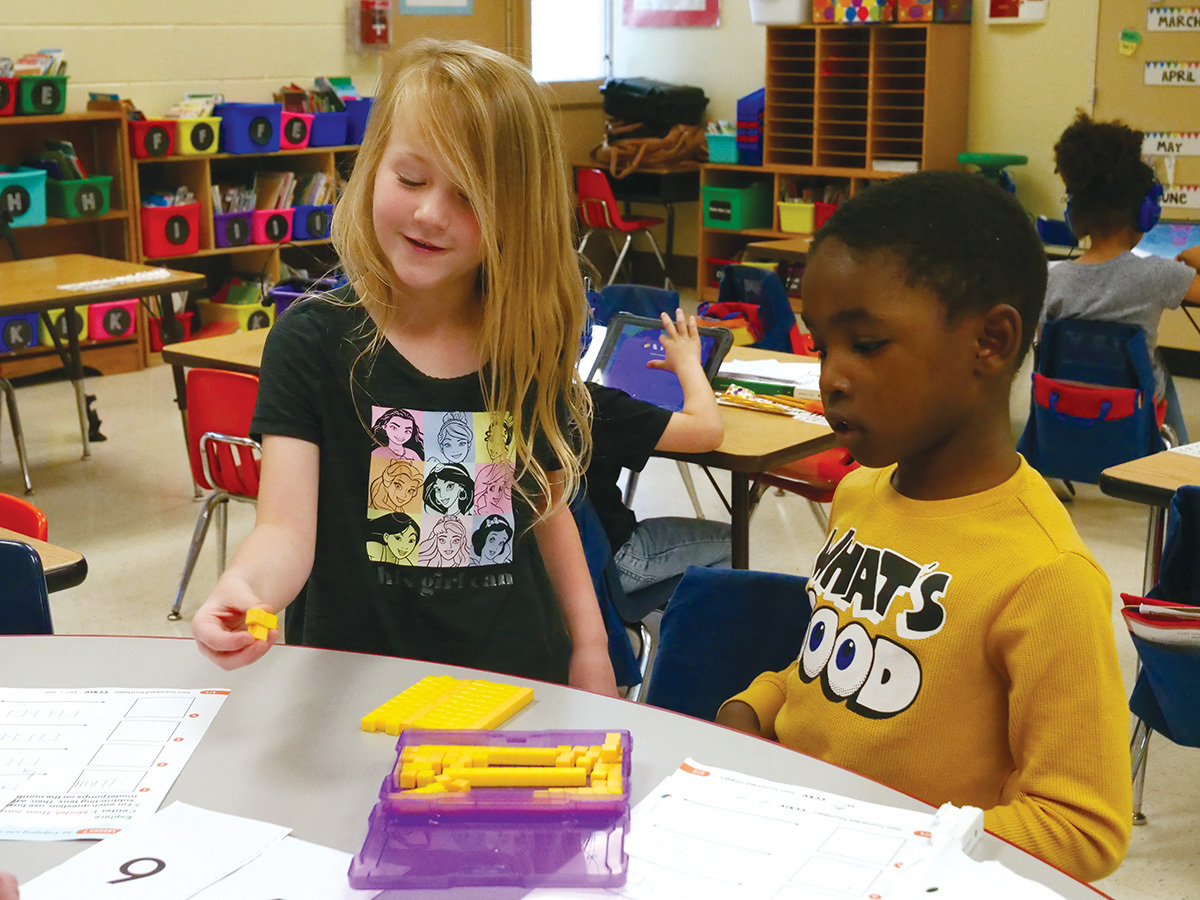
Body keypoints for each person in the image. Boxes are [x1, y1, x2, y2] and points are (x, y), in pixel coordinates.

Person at [715, 171, 1131, 882]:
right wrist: (757, 706)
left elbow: (1081, 824)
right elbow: (833, 673)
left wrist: (890, 851)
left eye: (867, 345)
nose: (833, 378)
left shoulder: (1046, 576)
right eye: (823, 347)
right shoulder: (861, 496)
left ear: (990, 342)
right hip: (795, 852)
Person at [190, 38, 617, 696]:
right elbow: (283, 529)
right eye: (411, 179)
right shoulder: (313, 341)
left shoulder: (519, 340)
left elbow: (549, 512)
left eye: (470, 198)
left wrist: (590, 646)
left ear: (515, 216)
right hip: (356, 689)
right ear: (373, 168)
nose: (429, 213)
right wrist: (245, 588)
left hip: (512, 683)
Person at [1045, 111, 1200, 442]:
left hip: (1065, 410)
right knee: (1159, 371)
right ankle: (1177, 463)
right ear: (1146, 214)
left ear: (1074, 216)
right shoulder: (1159, 274)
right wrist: (1194, 258)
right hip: (1132, 412)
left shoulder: (1052, 280)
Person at [587, 307, 730, 594]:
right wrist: (688, 362)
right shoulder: (592, 404)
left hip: (535, 567)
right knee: (732, 544)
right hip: (611, 560)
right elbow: (708, 432)